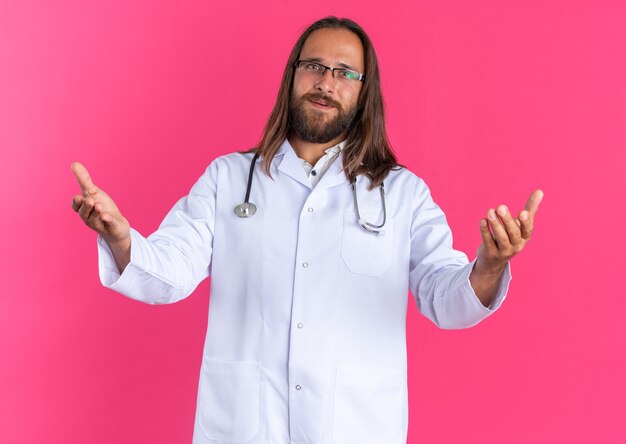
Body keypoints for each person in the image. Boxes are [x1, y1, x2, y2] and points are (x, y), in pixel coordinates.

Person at [71, 16, 542, 444]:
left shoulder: (403, 194)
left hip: (357, 428)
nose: (326, 82)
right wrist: (121, 237)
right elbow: (172, 270)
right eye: (314, 66)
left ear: (364, 91)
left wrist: (489, 264)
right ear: (293, 75)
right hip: (245, 427)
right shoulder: (229, 179)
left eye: (344, 72)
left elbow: (445, 298)